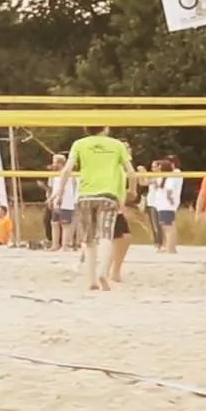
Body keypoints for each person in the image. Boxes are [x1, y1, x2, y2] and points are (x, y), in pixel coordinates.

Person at [57, 124, 135, 291]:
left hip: (85, 195)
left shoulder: (79, 144)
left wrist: (59, 192)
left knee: (89, 238)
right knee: (106, 236)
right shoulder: (117, 145)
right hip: (108, 195)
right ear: (105, 129)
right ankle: (103, 273)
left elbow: (66, 171)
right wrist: (131, 191)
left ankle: (91, 280)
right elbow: (132, 173)